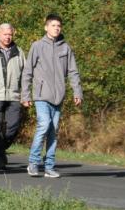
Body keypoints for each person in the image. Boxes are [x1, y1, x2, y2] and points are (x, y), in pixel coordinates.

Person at [21, 14, 83, 178]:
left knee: (53, 131)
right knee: (44, 125)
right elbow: (27, 72)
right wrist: (25, 95)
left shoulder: (65, 48)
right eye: (53, 25)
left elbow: (73, 71)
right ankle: (33, 163)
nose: (56, 28)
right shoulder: (37, 46)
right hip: (41, 95)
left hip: (58, 96)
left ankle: (49, 167)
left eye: (59, 26)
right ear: (46, 27)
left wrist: (77, 92)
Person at [0, 23, 26, 170]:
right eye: (5, 34)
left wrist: (25, 94)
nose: (8, 37)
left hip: (14, 95)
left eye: (10, 34)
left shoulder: (19, 52)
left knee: (13, 127)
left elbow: (25, 75)